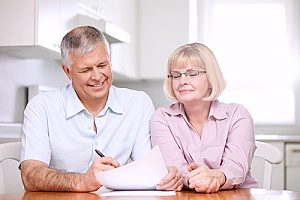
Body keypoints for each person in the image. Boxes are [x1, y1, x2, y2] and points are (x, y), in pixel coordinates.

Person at [20, 26, 183, 192]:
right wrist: (81, 181)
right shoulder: (41, 107)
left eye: (102, 65)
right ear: (67, 71)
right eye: (86, 69)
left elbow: (148, 170)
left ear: (110, 61)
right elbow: (30, 175)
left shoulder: (138, 103)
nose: (97, 76)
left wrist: (166, 176)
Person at [150, 42, 257, 193]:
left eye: (192, 73)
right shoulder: (162, 118)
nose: (182, 81)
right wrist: (199, 180)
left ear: (211, 77)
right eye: (176, 75)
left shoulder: (237, 115)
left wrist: (217, 177)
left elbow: (236, 167)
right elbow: (175, 169)